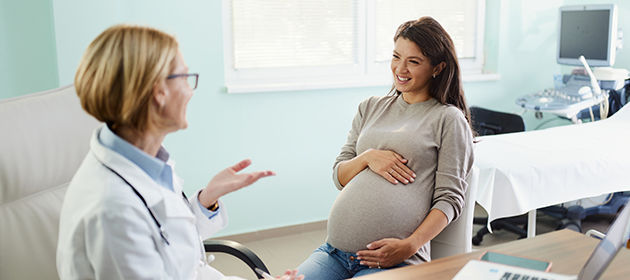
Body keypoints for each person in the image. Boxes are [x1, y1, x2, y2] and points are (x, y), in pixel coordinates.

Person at [56, 24, 303, 280]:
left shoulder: (143, 159)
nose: (190, 91)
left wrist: (207, 199)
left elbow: (169, 243)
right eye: (185, 77)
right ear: (158, 92)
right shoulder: (113, 211)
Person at [297, 17, 474, 279]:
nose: (400, 69)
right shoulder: (370, 107)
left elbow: (450, 199)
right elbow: (339, 176)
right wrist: (368, 158)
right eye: (396, 57)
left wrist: (409, 246)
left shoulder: (447, 119)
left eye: (413, 61)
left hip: (398, 260)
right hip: (333, 253)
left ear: (437, 67)